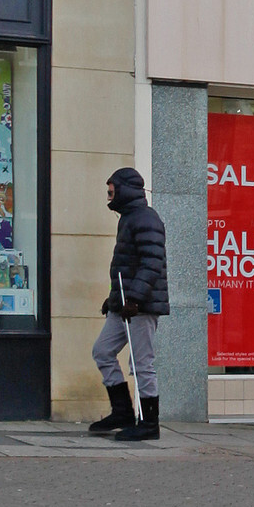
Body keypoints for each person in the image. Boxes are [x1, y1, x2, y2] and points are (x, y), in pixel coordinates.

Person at [90, 166, 170, 441]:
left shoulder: (145, 219)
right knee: (102, 351)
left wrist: (134, 298)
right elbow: (130, 265)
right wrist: (114, 300)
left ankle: (150, 423)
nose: (109, 195)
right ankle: (123, 411)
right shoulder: (129, 218)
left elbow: (152, 261)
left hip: (141, 306)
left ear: (125, 189)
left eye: (112, 190)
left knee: (142, 363)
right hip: (125, 303)